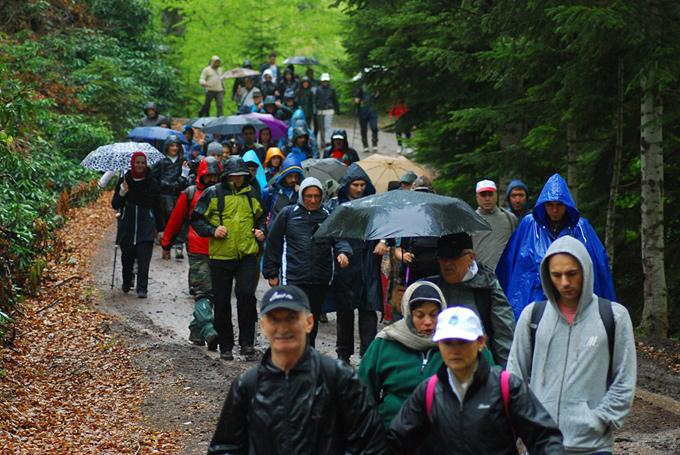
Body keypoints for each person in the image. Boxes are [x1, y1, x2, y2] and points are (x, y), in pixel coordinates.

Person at [207, 285, 389, 454]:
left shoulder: (340, 379)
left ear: (309, 322)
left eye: (291, 318)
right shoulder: (247, 386)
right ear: (263, 326)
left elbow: (370, 444)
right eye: (274, 319)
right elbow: (225, 448)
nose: (283, 328)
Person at [507, 236, 635, 454]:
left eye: (572, 274)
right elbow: (514, 377)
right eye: (556, 275)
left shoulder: (614, 316)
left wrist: (599, 419)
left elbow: (624, 379)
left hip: (593, 447)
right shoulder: (532, 316)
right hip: (540, 445)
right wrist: (526, 423)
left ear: (585, 270)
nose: (564, 282)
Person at [388, 306, 565, 454]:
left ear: (480, 342)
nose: (455, 350)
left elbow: (545, 438)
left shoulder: (506, 387)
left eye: (463, 342)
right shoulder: (428, 392)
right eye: (448, 343)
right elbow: (395, 441)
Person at [496, 173, 617, 319]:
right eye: (550, 205)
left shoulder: (582, 228)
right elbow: (508, 264)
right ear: (543, 205)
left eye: (559, 205)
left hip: (573, 300)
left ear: (566, 205)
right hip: (535, 301)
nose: (554, 210)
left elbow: (600, 265)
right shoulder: (529, 225)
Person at [191, 157, 266, 361]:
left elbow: (261, 216)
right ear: (227, 176)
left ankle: (247, 344)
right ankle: (226, 345)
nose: (238, 180)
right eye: (234, 176)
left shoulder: (252, 193)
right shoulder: (213, 193)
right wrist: (213, 230)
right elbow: (196, 218)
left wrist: (261, 230)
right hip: (221, 257)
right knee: (222, 301)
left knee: (246, 296)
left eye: (241, 176)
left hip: (248, 254)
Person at [263, 177, 352, 346]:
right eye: (309, 196)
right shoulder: (288, 214)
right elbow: (273, 243)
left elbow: (339, 238)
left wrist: (343, 252)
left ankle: (307, 354)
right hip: (294, 276)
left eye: (316, 196)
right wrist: (271, 272)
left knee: (312, 318)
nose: (313, 200)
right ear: (302, 195)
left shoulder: (327, 216)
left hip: (320, 277)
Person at [359, 281, 448, 429]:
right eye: (420, 315)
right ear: (408, 315)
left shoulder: (455, 343)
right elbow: (362, 392)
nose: (428, 322)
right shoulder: (386, 342)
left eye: (434, 315)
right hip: (392, 430)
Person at [425, 232, 515, 367]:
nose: (447, 264)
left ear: (471, 257)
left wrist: (505, 381)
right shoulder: (431, 289)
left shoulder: (488, 289)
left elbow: (505, 340)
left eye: (453, 257)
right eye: (442, 258)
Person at [325, 163, 386, 362]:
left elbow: (386, 227)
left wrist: (383, 241)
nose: (359, 189)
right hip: (347, 265)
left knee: (369, 311)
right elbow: (330, 233)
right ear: (347, 186)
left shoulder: (373, 206)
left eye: (362, 185)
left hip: (368, 262)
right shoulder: (336, 206)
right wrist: (340, 251)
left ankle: (368, 355)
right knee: (345, 312)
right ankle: (343, 353)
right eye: (355, 185)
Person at [161, 157, 221, 349]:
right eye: (208, 175)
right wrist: (166, 243)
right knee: (204, 292)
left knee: (215, 293)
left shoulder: (224, 194)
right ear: (201, 175)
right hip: (197, 249)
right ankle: (209, 329)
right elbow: (175, 219)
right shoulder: (189, 193)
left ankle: (196, 332)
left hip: (221, 249)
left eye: (214, 175)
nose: (211, 179)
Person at [112, 152, 163, 299]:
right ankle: (127, 282)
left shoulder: (152, 182)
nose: (140, 165)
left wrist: (161, 229)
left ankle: (142, 288)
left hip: (146, 224)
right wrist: (122, 192)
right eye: (137, 162)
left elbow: (158, 206)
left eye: (142, 162)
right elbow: (115, 204)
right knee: (127, 257)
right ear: (132, 163)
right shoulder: (124, 180)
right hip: (127, 225)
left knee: (144, 257)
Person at [151, 136, 190, 259]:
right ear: (167, 147)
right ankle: (166, 246)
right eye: (171, 145)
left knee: (180, 220)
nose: (174, 148)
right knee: (166, 221)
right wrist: (162, 186)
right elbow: (153, 177)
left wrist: (183, 176)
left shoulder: (183, 161)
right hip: (164, 196)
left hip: (178, 195)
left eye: (176, 145)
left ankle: (179, 246)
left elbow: (187, 179)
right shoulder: (161, 162)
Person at [470, 179, 518, 271]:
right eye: (483, 195)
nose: (487, 198)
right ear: (477, 197)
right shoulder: (470, 220)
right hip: (480, 275)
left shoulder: (510, 218)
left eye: (490, 194)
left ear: (496, 195)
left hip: (506, 273)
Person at [267, 154, 305, 222]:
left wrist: (302, 192)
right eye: (290, 176)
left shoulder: (300, 191)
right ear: (284, 176)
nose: (293, 179)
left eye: (296, 176)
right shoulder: (271, 191)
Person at [314, 73, 339, 146]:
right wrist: (316, 108)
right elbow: (315, 100)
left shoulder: (332, 90)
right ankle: (322, 141)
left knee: (328, 126)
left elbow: (335, 100)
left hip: (329, 109)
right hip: (320, 110)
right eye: (324, 81)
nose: (325, 82)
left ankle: (328, 141)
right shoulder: (318, 89)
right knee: (321, 127)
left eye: (326, 81)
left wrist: (337, 109)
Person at [355, 83, 380, 153]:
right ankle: (365, 145)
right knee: (363, 129)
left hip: (372, 110)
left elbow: (378, 98)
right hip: (362, 111)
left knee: (374, 127)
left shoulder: (374, 86)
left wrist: (377, 96)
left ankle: (374, 144)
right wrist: (357, 105)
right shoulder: (361, 87)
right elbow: (357, 99)